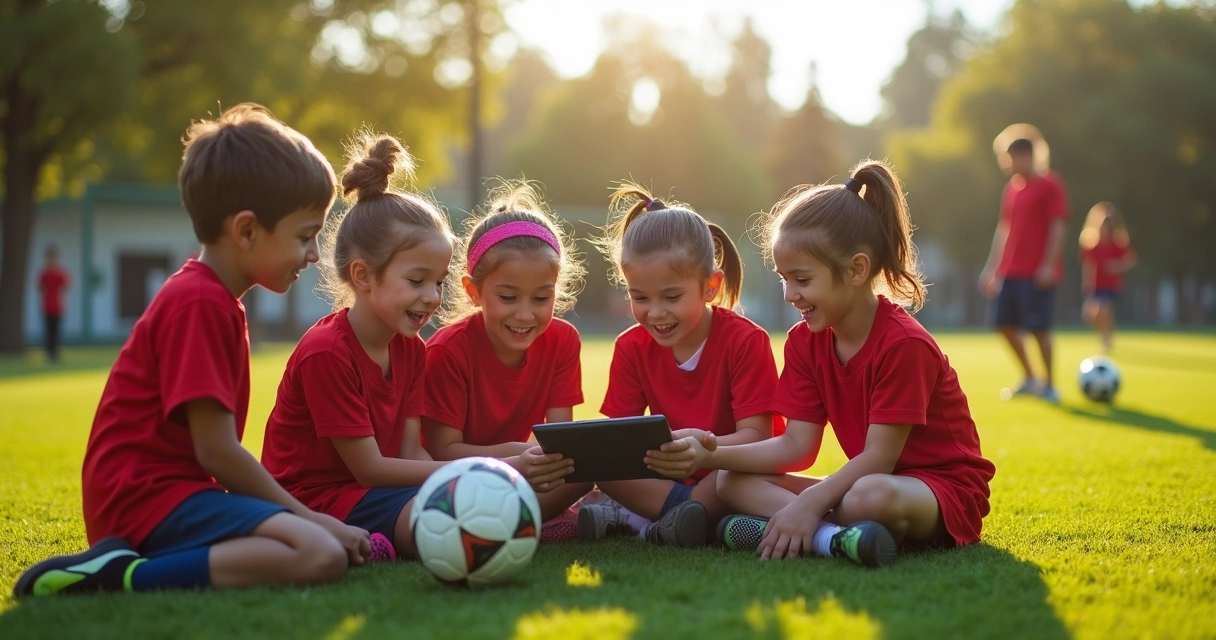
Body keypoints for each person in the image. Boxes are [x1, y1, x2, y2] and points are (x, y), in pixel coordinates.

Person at [13, 104, 368, 598]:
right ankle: (121, 577)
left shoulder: (215, 300)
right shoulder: (198, 302)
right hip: (144, 499)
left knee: (311, 543)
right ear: (246, 231)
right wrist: (309, 516)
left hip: (176, 495)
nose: (312, 255)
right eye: (305, 236)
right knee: (319, 551)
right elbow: (216, 449)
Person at [649, 161, 995, 567]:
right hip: (862, 487)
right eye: (783, 278)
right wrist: (709, 454)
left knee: (870, 496)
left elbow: (879, 459)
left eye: (802, 279)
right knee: (729, 480)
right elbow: (796, 447)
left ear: (856, 270)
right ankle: (832, 538)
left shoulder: (904, 344)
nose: (788, 294)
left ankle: (801, 526)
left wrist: (811, 502)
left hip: (940, 490)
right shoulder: (804, 341)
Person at [262, 133, 455, 563]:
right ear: (364, 277)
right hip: (313, 502)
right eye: (417, 280)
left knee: (468, 505)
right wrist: (467, 472)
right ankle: (365, 540)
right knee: (446, 522)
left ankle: (376, 538)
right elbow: (368, 467)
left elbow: (409, 452)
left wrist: (466, 480)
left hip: (374, 492)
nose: (432, 297)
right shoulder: (327, 352)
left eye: (439, 282)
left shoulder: (413, 351)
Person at [579, 183, 782, 548]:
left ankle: (644, 522)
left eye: (672, 297)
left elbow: (759, 438)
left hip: (728, 473)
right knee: (601, 470)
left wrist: (706, 451)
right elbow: (617, 441)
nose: (655, 313)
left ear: (711, 286)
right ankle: (681, 519)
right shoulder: (630, 347)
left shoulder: (745, 341)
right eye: (639, 297)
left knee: (728, 482)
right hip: (665, 479)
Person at [422, 180, 589, 541]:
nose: (526, 314)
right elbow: (441, 452)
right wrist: (520, 455)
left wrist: (543, 461)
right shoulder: (447, 351)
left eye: (541, 298)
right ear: (474, 292)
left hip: (521, 473)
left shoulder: (563, 341)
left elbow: (560, 442)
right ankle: (533, 519)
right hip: (456, 480)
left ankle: (541, 515)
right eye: (509, 297)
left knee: (591, 468)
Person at [979, 124, 1069, 403]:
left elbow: (1058, 226)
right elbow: (1004, 230)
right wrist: (993, 268)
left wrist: (1048, 264)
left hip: (1037, 273)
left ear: (1025, 155)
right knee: (1003, 325)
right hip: (1011, 272)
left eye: (1009, 157)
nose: (1006, 163)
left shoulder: (1050, 184)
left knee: (1039, 330)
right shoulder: (1012, 190)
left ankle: (1050, 385)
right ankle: (1031, 378)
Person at [1079, 202, 1136, 352]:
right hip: (1095, 284)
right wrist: (1086, 281)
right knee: (1089, 315)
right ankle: (1104, 335)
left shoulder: (1118, 243)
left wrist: (1116, 266)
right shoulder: (1092, 243)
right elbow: (1088, 264)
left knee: (1103, 311)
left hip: (1111, 284)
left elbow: (1130, 260)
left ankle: (1107, 339)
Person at [37, 245, 71, 363]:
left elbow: (67, 286)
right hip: (47, 306)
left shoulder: (60, 273)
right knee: (48, 331)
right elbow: (40, 287)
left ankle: (55, 353)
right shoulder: (44, 273)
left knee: (57, 331)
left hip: (58, 306)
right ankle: (49, 353)